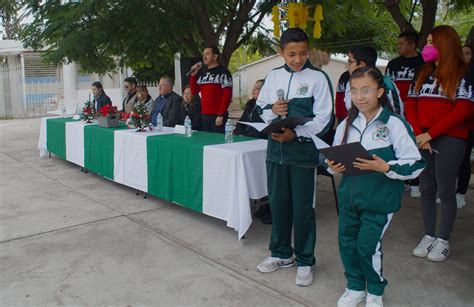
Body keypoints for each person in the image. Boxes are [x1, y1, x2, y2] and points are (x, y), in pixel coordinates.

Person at [328, 66, 425, 307]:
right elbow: (333, 162)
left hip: (379, 202)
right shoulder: (345, 125)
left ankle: (375, 290)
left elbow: (416, 164)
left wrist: (386, 167)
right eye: (354, 91)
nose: (359, 97)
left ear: (380, 91)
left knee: (367, 247)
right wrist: (332, 166)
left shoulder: (395, 124)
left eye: (366, 90)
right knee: (347, 243)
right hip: (349, 200)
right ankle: (355, 286)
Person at [255, 28, 333, 287]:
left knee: (303, 209)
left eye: (302, 53)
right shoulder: (273, 76)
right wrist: (272, 110)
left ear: (308, 51)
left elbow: (324, 118)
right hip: (275, 153)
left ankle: (305, 260)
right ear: (281, 52)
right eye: (291, 54)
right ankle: (280, 254)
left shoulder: (318, 78)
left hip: (302, 154)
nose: (297, 59)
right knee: (278, 205)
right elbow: (262, 108)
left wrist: (297, 135)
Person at [406, 25, 473, 262]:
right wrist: (417, 133)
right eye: (428, 42)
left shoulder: (463, 73)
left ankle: (443, 240)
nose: (427, 47)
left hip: (450, 139)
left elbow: (463, 109)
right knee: (426, 188)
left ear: (445, 44)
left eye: (433, 42)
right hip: (422, 139)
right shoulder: (422, 72)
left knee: (445, 191)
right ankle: (428, 235)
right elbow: (411, 105)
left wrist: (431, 134)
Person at [386, 31, 425, 198]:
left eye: (402, 44)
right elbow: (387, 86)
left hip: (417, 111)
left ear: (412, 45)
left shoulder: (424, 63)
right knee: (397, 142)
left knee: (416, 143)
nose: (398, 47)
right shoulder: (393, 64)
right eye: (398, 43)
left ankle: (416, 182)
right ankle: (401, 180)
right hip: (396, 111)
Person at [234, 79, 271, 224]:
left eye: (257, 88)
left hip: (261, 142)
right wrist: (239, 132)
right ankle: (258, 201)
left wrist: (246, 136)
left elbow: (262, 129)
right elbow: (242, 122)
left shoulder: (268, 106)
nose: (254, 90)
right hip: (247, 141)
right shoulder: (250, 104)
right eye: (254, 88)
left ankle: (268, 205)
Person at [344, 46, 403, 117]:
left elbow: (397, 113)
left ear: (361, 65)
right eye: (354, 91)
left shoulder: (386, 83)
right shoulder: (349, 84)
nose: (359, 98)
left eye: (350, 62)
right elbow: (350, 109)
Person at [189, 46, 233, 133]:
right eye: (203, 55)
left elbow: (227, 95)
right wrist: (193, 76)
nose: (204, 57)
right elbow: (194, 91)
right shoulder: (203, 73)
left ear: (215, 56)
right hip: (204, 115)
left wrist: (221, 114)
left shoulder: (224, 72)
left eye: (207, 54)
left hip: (218, 115)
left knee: (218, 143)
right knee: (208, 141)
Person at [456, 44, 474, 209]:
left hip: (469, 125)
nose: (464, 56)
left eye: (467, 53)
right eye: (461, 53)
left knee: (464, 159)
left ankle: (461, 193)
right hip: (454, 125)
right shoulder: (454, 73)